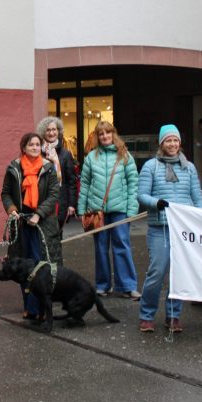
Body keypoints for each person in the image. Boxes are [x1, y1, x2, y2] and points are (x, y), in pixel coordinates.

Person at [137, 124, 202, 333]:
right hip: (160, 228)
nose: (172, 144)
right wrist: (157, 202)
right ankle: (147, 315)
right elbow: (141, 195)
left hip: (182, 229)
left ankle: (173, 316)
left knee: (179, 274)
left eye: (175, 140)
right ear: (161, 143)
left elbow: (197, 197)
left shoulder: (189, 167)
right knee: (157, 272)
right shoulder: (151, 166)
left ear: (180, 143)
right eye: (168, 140)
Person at [1, 132, 62, 319]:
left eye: (37, 144)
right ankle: (29, 307)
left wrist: (38, 214)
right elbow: (5, 193)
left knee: (40, 266)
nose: (35, 147)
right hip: (21, 224)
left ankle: (42, 309)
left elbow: (53, 195)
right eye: (31, 145)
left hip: (42, 224)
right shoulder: (14, 168)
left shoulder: (48, 168)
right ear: (24, 148)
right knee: (23, 265)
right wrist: (11, 208)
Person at [78, 120, 140, 299]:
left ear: (114, 134)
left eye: (108, 133)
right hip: (98, 211)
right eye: (101, 134)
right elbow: (85, 184)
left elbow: (133, 183)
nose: (105, 136)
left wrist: (131, 210)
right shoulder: (91, 157)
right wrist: (82, 210)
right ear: (97, 137)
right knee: (101, 248)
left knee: (122, 245)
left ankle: (128, 285)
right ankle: (103, 285)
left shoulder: (124, 155)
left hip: (120, 208)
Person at [36, 116, 78, 231]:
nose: (51, 133)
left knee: (56, 234)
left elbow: (71, 181)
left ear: (58, 131)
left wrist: (71, 204)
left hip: (60, 201)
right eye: (48, 130)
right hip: (41, 200)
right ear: (43, 132)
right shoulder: (37, 153)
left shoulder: (66, 154)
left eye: (54, 129)